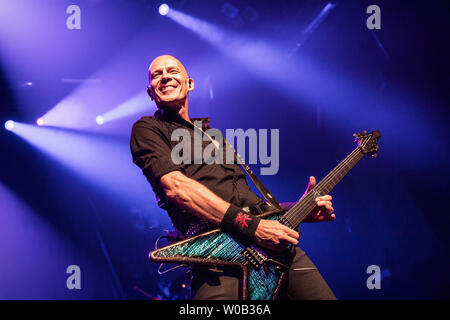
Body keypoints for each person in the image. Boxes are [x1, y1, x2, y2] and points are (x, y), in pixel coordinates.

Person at [130, 54, 336, 300]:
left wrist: (300, 209)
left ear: (190, 83)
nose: (165, 77)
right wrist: (254, 229)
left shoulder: (212, 137)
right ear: (150, 92)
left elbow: (247, 204)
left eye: (173, 71)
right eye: (157, 75)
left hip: (275, 251)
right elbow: (177, 189)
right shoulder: (148, 129)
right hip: (217, 258)